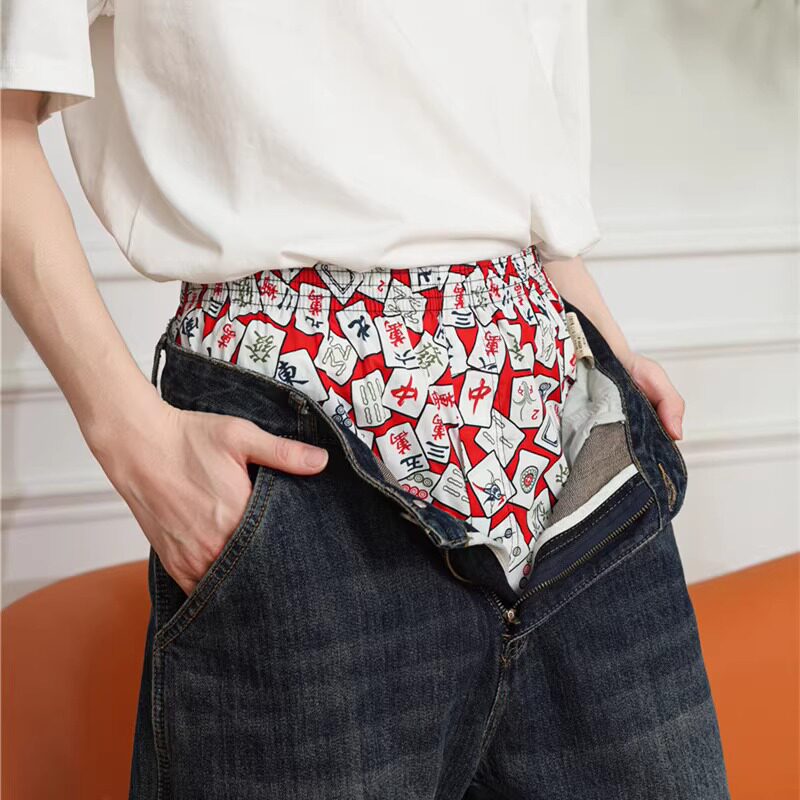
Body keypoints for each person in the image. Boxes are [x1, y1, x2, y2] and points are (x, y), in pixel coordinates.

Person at [1, 1, 731, 798]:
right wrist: (130, 438)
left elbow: (510, 153)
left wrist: (609, 350)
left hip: (566, 445)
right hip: (306, 452)